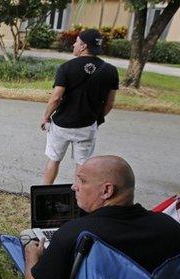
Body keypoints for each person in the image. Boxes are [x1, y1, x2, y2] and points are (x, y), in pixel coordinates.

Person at [24, 155, 180, 279]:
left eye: (82, 181)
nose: (74, 187)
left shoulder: (75, 233)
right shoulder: (173, 229)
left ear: (107, 191)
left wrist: (32, 256)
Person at [40, 29, 119, 185]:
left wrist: (46, 116)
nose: (74, 44)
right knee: (82, 165)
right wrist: (96, 118)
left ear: (83, 46)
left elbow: (56, 98)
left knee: (54, 160)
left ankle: (44, 193)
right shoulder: (110, 71)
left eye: (76, 41)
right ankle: (80, 198)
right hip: (87, 127)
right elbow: (110, 103)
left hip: (62, 125)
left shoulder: (66, 68)